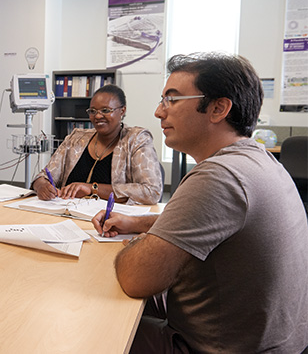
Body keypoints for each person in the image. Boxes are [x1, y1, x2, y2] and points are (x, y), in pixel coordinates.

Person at [92, 52, 308, 353]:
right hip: (272, 340)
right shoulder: (259, 160)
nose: (158, 111)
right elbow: (212, 222)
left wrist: (132, 245)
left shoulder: (220, 176)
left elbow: (134, 278)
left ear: (218, 108)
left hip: (213, 347)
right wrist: (137, 223)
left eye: (172, 99)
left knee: (91, 321)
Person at [32, 84, 162, 205]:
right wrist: (42, 186)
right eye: (93, 111)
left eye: (105, 110)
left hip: (111, 220)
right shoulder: (76, 138)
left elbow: (151, 192)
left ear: (122, 111)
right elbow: (43, 176)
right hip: (66, 212)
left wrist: (92, 188)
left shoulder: (136, 139)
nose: (98, 116)